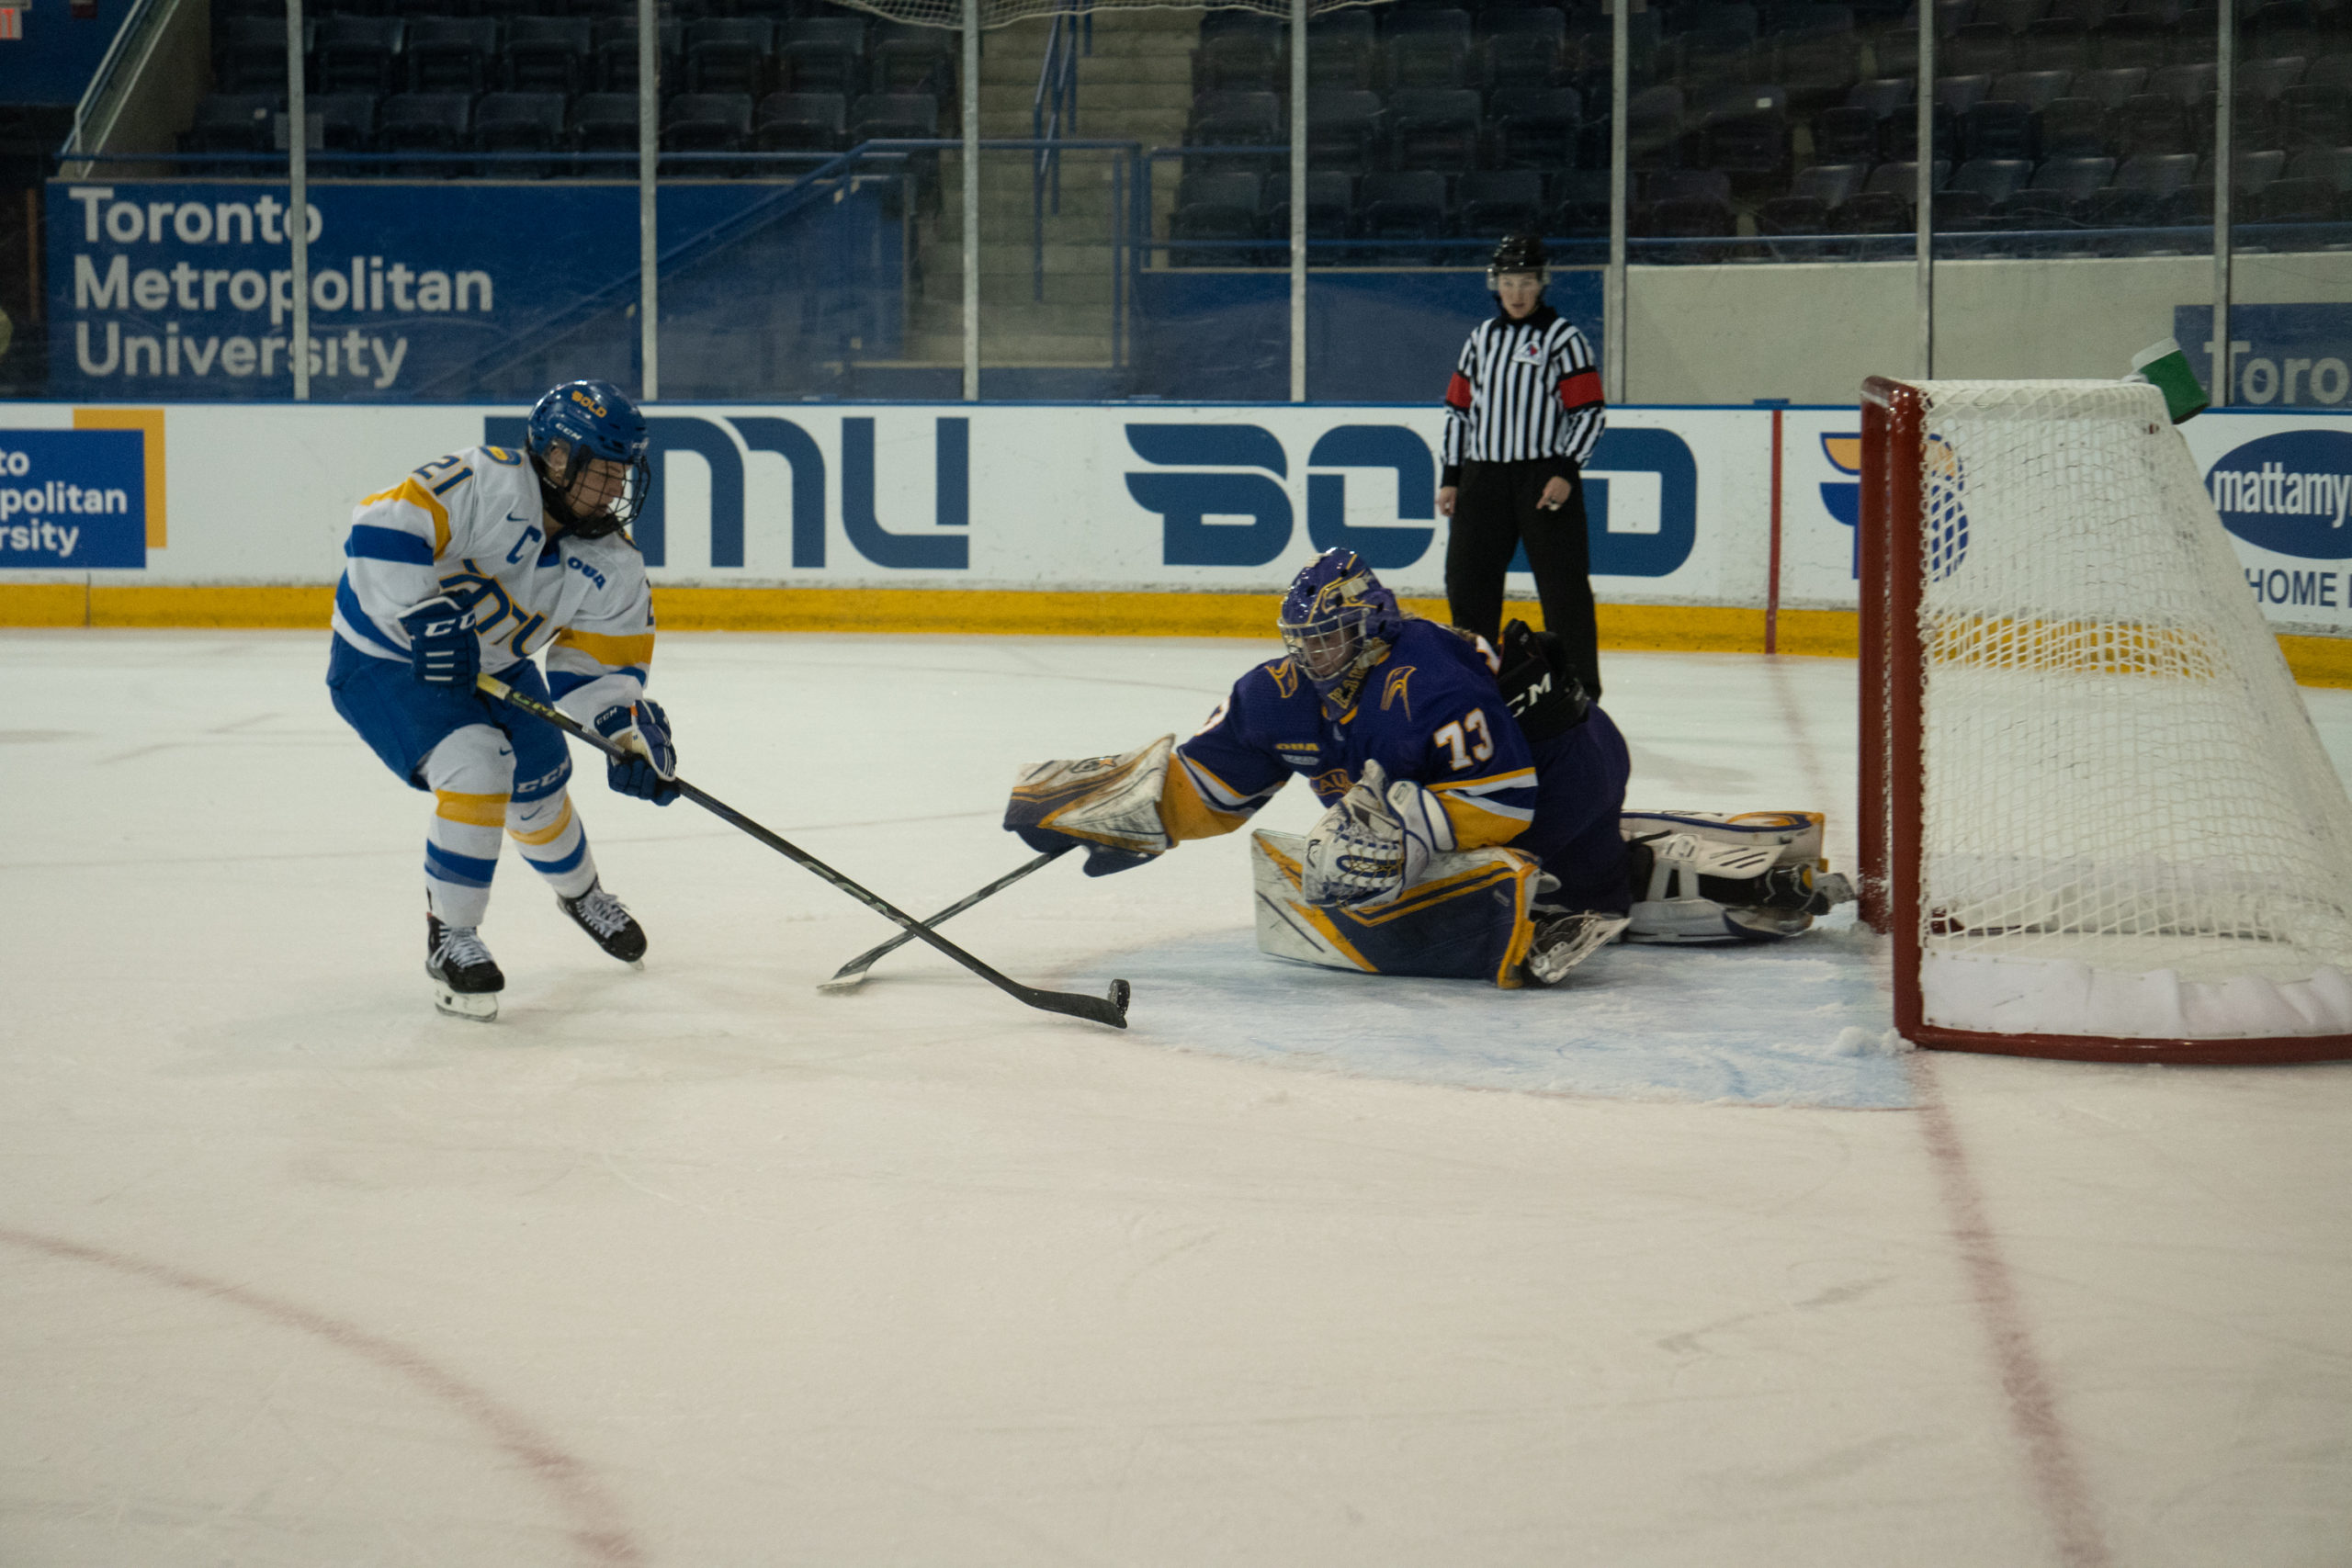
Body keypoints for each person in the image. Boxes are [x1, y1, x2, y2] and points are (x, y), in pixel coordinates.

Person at [1002, 551, 1850, 990]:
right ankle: (1576, 877)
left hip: (1561, 774)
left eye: (1327, 638)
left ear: (1369, 628)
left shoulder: (1432, 682)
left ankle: (1670, 875)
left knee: (1580, 891)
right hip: (1491, 788)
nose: (1310, 654)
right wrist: (1137, 812)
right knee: (1359, 848)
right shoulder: (1280, 691)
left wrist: (1399, 833)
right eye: (1301, 639)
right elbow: (1218, 782)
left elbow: (1506, 800)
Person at [325, 379, 680, 1021]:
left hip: (494, 661)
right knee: (479, 764)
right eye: (598, 471)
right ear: (552, 457)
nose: (612, 490)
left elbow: (598, 669)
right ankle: (450, 936)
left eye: (621, 473)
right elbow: (380, 524)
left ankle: (583, 895)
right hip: (386, 654)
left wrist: (623, 732)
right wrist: (424, 614)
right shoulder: (485, 481)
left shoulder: (612, 562)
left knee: (541, 784)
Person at [1438, 232, 1608, 699]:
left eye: (1527, 281)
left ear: (1542, 284)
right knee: (1468, 583)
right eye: (1509, 281)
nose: (1517, 292)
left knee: (1563, 589)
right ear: (1497, 284)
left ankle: (1579, 692)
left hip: (1542, 479)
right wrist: (1452, 477)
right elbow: (1458, 411)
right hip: (1482, 478)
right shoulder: (1480, 339)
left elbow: (1589, 411)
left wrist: (1566, 471)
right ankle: (1470, 686)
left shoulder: (1564, 339)